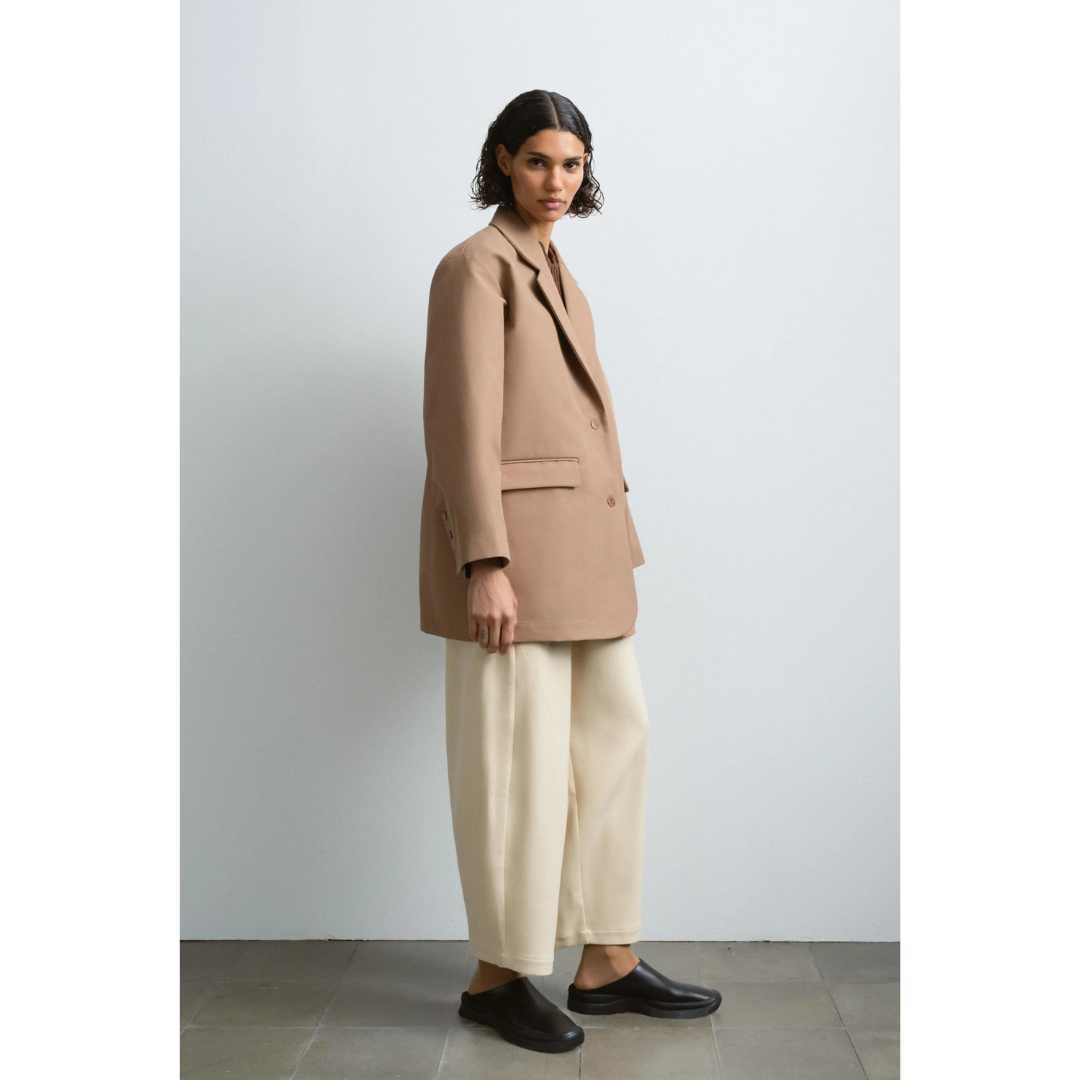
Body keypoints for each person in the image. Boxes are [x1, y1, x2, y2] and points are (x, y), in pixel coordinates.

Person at [419, 89, 721, 1054]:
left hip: (585, 555)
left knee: (613, 743)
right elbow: (460, 424)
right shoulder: (476, 267)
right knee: (517, 766)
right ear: (503, 161)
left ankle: (607, 959)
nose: (557, 181)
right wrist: (484, 561)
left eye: (574, 163)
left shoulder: (557, 268)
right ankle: (497, 977)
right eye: (539, 161)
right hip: (516, 561)